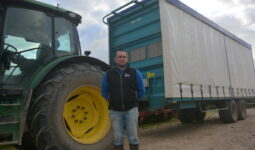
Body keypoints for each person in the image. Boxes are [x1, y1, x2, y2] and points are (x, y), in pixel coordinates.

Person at [102, 50, 145, 150]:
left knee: (133, 137)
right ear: (115, 59)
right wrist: (113, 101)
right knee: (117, 138)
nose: (122, 59)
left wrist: (133, 101)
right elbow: (104, 92)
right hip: (115, 111)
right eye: (120, 57)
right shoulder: (108, 74)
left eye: (124, 57)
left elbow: (141, 91)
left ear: (127, 59)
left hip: (131, 110)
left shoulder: (135, 73)